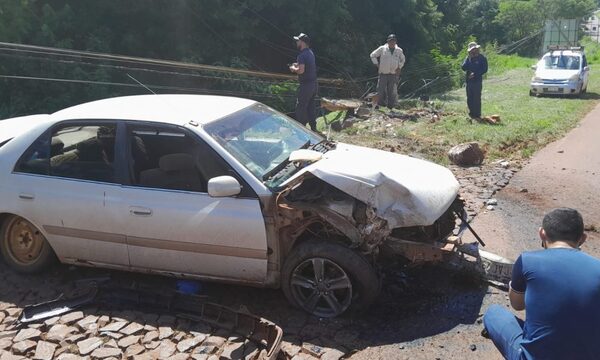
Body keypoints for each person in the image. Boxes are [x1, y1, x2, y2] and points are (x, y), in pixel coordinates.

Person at [483, 208, 600, 360]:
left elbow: (517, 305)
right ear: (583, 238)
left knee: (493, 313)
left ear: (542, 233)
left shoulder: (527, 260)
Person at [289, 32, 318, 131]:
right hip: (314, 84)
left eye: (298, 40)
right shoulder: (310, 53)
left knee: (300, 107)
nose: (297, 42)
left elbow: (301, 71)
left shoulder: (301, 55)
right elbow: (306, 65)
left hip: (306, 85)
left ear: (302, 42)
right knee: (311, 107)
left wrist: (293, 68)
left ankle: (302, 130)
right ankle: (313, 128)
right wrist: (298, 64)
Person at [370, 34, 405, 109]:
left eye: (393, 41)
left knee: (392, 91)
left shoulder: (399, 50)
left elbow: (403, 60)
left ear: (395, 42)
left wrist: (399, 67)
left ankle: (391, 107)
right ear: (388, 42)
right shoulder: (382, 48)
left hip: (393, 74)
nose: (392, 43)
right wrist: (376, 64)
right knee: (380, 90)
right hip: (383, 73)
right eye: (390, 41)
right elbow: (372, 55)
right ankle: (379, 106)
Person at [461, 42, 488, 120]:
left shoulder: (482, 58)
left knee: (477, 97)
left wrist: (475, 74)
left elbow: (484, 69)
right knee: (470, 97)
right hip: (469, 81)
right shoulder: (468, 58)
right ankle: (471, 113)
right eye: (472, 50)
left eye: (475, 49)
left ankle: (477, 114)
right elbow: (463, 67)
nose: (474, 51)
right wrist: (469, 59)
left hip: (477, 81)